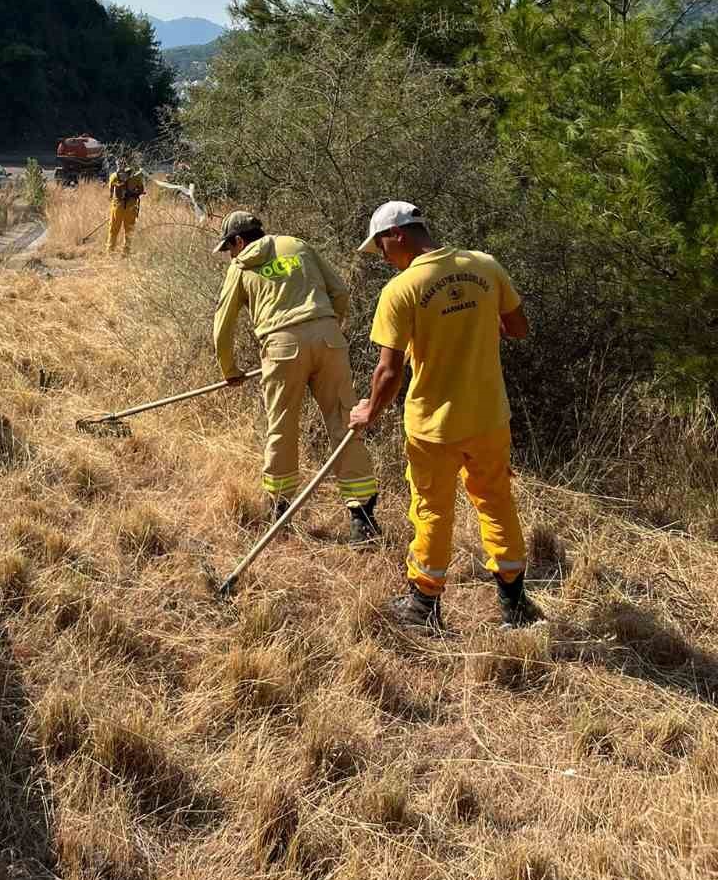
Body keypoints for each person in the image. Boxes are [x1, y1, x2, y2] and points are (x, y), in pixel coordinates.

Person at [349, 201, 541, 630]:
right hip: (490, 417)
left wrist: (368, 412)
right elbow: (519, 328)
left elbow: (389, 370)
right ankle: (514, 605)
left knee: (432, 510)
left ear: (397, 235)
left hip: (434, 425)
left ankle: (424, 606)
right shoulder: (485, 266)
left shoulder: (402, 289)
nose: (382, 258)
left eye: (381, 247)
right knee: (495, 501)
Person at [212, 210, 380, 542]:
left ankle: (280, 509)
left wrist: (230, 370)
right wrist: (329, 329)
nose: (230, 254)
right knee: (344, 420)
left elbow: (223, 325)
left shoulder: (241, 264)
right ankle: (362, 517)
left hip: (281, 348)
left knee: (283, 426)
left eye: (229, 247)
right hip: (330, 338)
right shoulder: (299, 246)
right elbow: (341, 292)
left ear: (239, 240)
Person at [107, 164, 146, 255]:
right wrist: (133, 193)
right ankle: (126, 251)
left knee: (113, 229)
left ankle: (110, 250)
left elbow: (111, 194)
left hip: (118, 207)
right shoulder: (136, 177)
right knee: (129, 229)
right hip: (130, 207)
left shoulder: (113, 176)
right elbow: (141, 190)